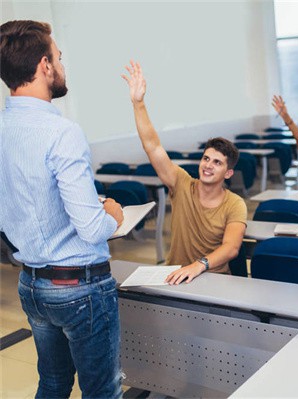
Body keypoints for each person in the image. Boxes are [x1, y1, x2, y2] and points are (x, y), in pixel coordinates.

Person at [0, 20, 124, 397]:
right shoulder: (61, 132)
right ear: (44, 66)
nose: (62, 65)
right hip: (79, 287)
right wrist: (112, 217)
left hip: (32, 283)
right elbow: (90, 228)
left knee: (52, 382)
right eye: (59, 57)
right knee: (102, 390)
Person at [122, 61, 247, 284]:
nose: (208, 165)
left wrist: (199, 265)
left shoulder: (235, 204)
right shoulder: (182, 183)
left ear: (228, 174)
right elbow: (153, 146)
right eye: (206, 158)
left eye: (217, 163)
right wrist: (138, 103)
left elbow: (231, 248)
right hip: (175, 276)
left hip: (214, 278)